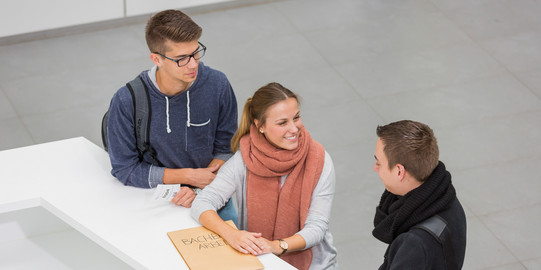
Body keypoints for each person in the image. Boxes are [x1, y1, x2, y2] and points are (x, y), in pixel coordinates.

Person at [106, 9, 238, 222]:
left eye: (196, 52)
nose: (193, 64)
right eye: (181, 59)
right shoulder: (126, 101)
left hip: (212, 195)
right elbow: (125, 169)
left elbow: (227, 150)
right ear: (156, 59)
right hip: (156, 202)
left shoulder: (218, 85)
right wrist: (187, 177)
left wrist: (196, 189)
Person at [191, 82, 338, 270]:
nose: (294, 129)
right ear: (260, 126)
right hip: (259, 261)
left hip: (314, 265)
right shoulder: (244, 159)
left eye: (296, 118)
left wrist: (276, 246)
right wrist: (232, 234)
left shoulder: (320, 160)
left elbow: (317, 228)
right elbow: (203, 202)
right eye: (282, 123)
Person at [372, 120, 467, 269]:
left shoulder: (414, 244)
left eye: (378, 163)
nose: (375, 168)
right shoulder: (447, 198)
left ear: (399, 171)